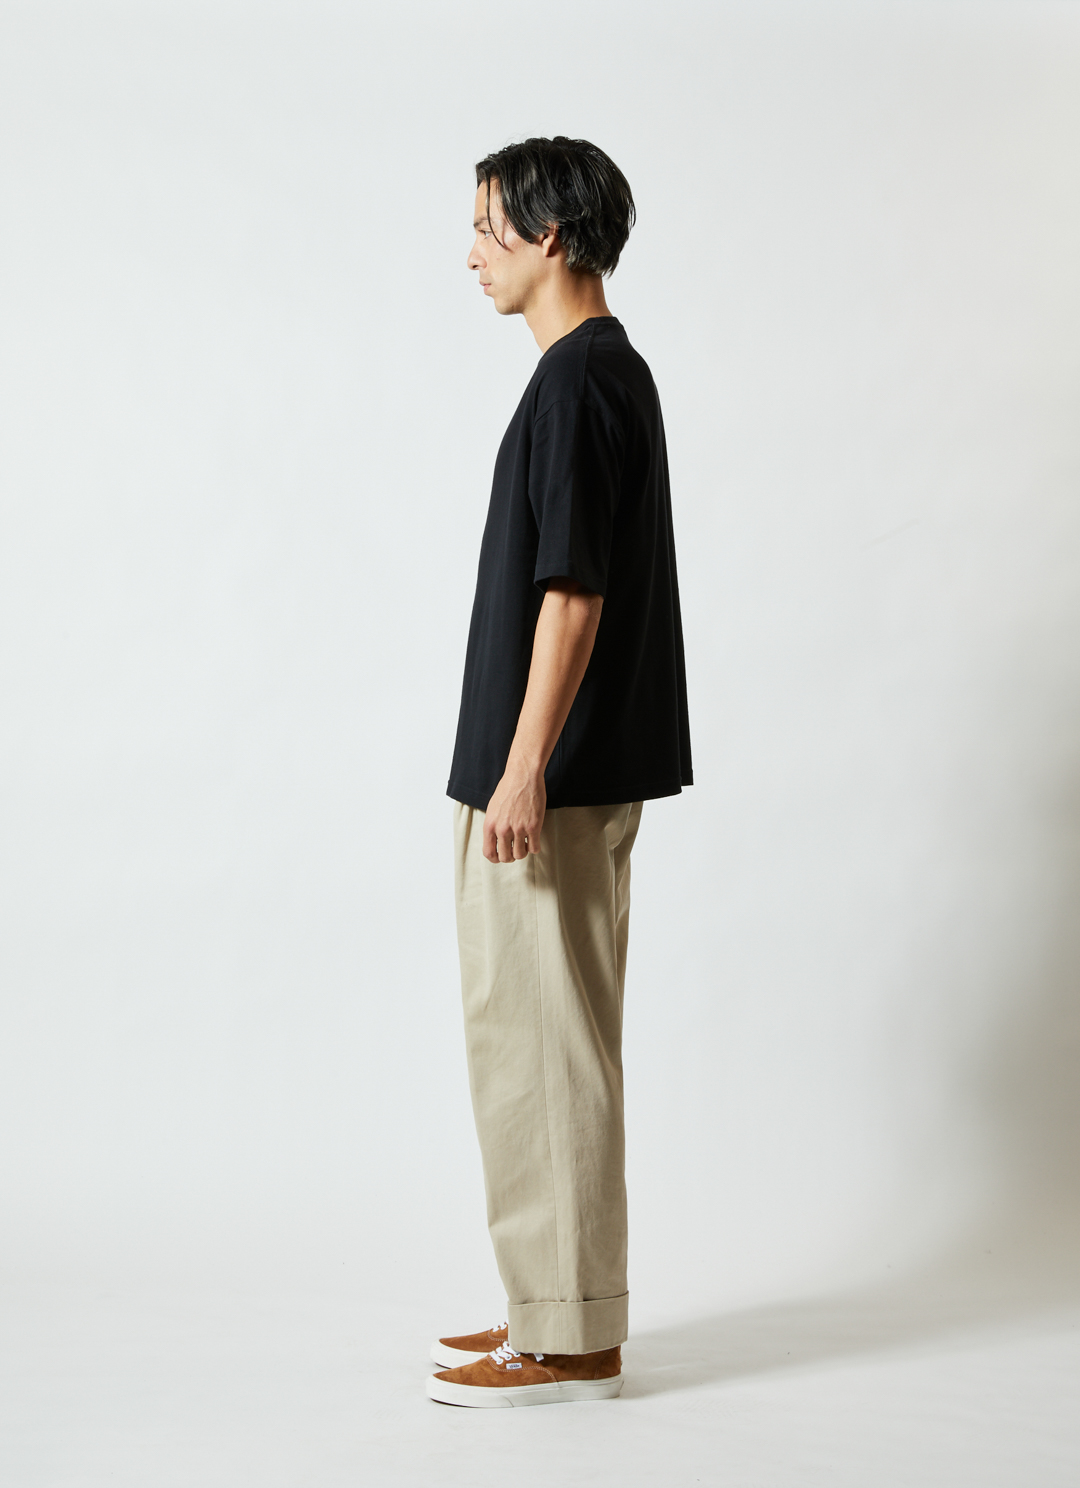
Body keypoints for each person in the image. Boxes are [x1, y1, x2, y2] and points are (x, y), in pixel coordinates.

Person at [426, 136, 692, 1409]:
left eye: (490, 227)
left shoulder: (582, 381)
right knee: (530, 1042)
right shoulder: (593, 375)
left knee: (546, 1049)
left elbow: (573, 596)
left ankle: (572, 1335)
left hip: (551, 783)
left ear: (550, 237)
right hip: (553, 776)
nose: (471, 252)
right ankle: (552, 1304)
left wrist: (522, 766)